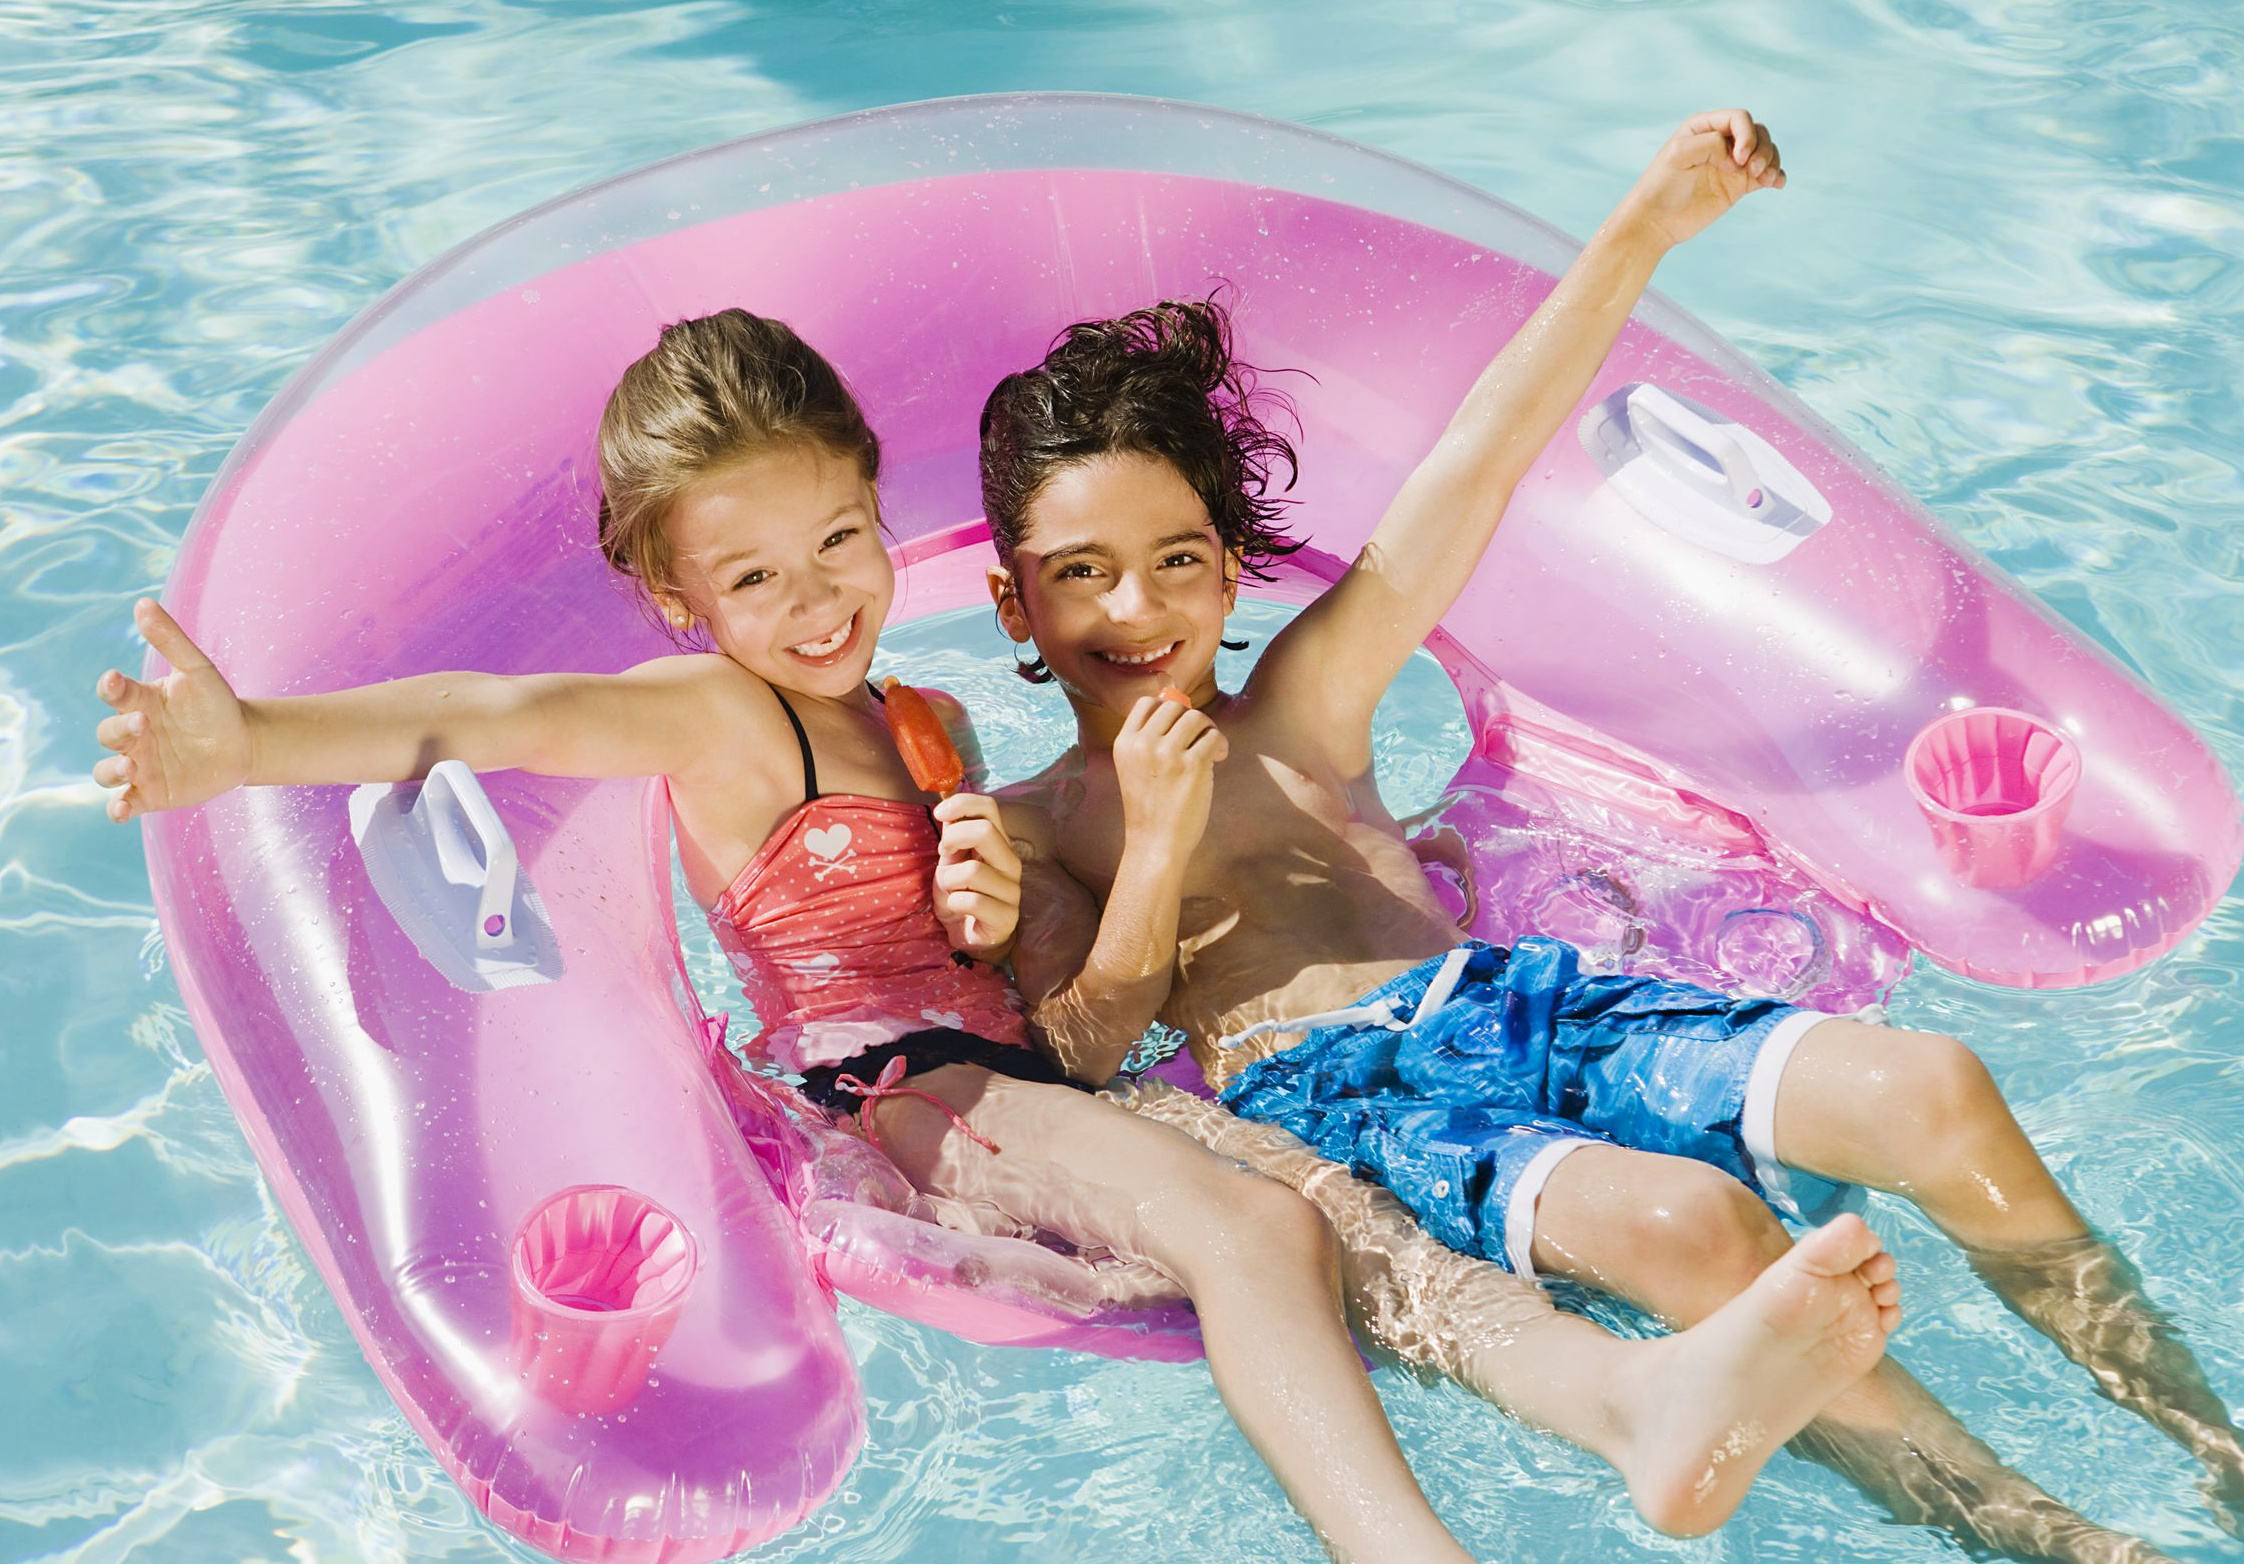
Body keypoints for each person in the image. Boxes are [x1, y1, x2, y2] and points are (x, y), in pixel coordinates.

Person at [94, 309, 1899, 1554]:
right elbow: (493, 718)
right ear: (674, 597)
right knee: (1257, 1230)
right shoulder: (718, 718)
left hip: (1033, 1075)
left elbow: (1077, 1008)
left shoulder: (932, 737)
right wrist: (244, 745)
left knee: (1344, 1228)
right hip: (910, 1088)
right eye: (752, 578)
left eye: (839, 542)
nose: (814, 603)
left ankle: (1629, 1407)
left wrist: (1012, 914)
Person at [981, 109, 2202, 1561]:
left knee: (1937, 1088)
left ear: (1232, 569)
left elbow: (1477, 464)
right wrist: (1162, 843)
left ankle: (2206, 1439)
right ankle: (2044, 1534)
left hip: (1526, 1007)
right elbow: (1084, 1047)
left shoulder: (1298, 709)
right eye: (1082, 575)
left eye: (1175, 561)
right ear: (1014, 605)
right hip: (1353, 1096)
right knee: (1701, 1233)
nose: (1136, 610)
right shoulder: (1032, 827)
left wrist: (1648, 223)